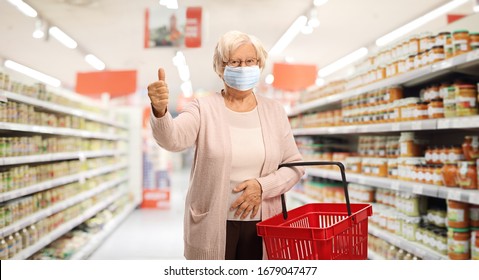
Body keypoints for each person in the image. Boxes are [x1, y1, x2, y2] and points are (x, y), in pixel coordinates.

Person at [147, 30, 305, 260]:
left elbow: (294, 166)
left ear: (259, 65)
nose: (243, 67)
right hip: (212, 224)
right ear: (221, 68)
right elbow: (172, 139)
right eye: (234, 62)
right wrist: (160, 111)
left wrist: (263, 187)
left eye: (250, 61)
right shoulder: (203, 108)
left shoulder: (274, 111)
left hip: (264, 224)